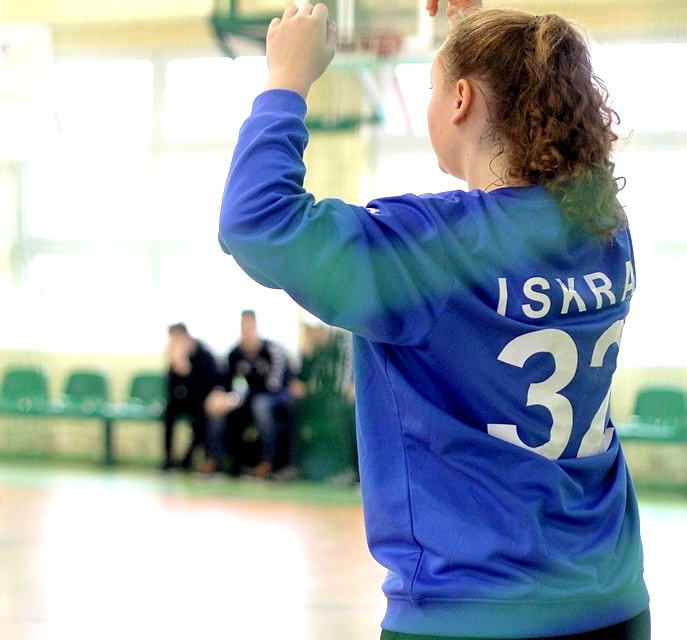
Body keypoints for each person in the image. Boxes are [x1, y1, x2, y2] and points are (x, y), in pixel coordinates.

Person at [219, 1, 650, 638]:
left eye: (433, 89)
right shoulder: (604, 229)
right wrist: (477, 42)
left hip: (472, 611)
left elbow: (257, 221)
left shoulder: (435, 248)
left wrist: (286, 80)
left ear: (461, 100)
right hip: (612, 601)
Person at [212, 309, 295, 478]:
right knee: (218, 407)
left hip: (278, 398)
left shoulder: (273, 350)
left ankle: (269, 462)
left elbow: (273, 385)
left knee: (260, 405)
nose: (246, 333)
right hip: (249, 398)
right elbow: (226, 382)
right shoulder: (235, 353)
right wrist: (221, 396)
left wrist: (238, 399)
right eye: (243, 328)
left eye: (249, 328)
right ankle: (218, 461)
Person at [290, 317, 358, 483]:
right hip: (323, 399)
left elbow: (341, 387)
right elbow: (301, 384)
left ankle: (347, 469)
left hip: (340, 400)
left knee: (337, 408)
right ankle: (297, 465)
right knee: (293, 406)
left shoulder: (343, 342)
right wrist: (308, 356)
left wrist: (312, 391)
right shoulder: (313, 348)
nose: (311, 335)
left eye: (314, 331)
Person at [161, 322, 225, 472]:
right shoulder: (177, 357)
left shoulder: (204, 354)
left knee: (202, 418)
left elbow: (204, 386)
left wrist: (186, 371)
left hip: (203, 399)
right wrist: (176, 365)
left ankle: (188, 459)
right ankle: (168, 460)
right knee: (168, 410)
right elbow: (171, 388)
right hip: (185, 399)